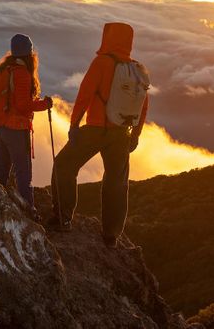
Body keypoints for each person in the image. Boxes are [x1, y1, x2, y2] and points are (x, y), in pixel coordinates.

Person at [49, 22, 149, 247]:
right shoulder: (136, 69)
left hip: (96, 129)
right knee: (116, 182)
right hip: (122, 133)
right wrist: (136, 135)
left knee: (64, 165)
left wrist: (74, 125)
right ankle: (111, 235)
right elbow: (143, 105)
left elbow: (85, 94)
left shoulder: (102, 62)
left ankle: (63, 218)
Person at [0, 34, 52, 220]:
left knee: (1, 170)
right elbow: (22, 106)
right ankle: (28, 211)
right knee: (23, 173)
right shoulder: (21, 73)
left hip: (0, 127)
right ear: (29, 53)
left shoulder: (5, 69)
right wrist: (44, 104)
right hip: (16, 130)